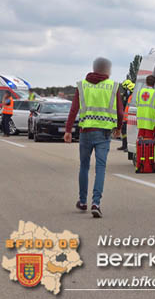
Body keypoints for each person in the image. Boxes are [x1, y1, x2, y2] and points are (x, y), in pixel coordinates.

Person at [64, 57, 123, 218]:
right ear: (106, 70)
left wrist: (68, 130)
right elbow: (120, 112)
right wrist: (118, 128)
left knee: (84, 166)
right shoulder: (113, 86)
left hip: (85, 132)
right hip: (104, 133)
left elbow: (73, 110)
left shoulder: (82, 85)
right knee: (100, 168)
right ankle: (96, 203)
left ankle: (82, 201)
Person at [136, 75, 155, 171]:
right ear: (154, 83)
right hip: (150, 123)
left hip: (141, 123)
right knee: (150, 146)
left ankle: (140, 164)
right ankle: (149, 165)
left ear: (146, 82)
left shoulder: (140, 92)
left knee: (140, 144)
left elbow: (137, 103)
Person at [117, 80, 134, 151]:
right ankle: (124, 145)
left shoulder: (132, 96)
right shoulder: (127, 95)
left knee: (129, 132)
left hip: (131, 117)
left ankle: (127, 146)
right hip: (126, 117)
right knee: (124, 131)